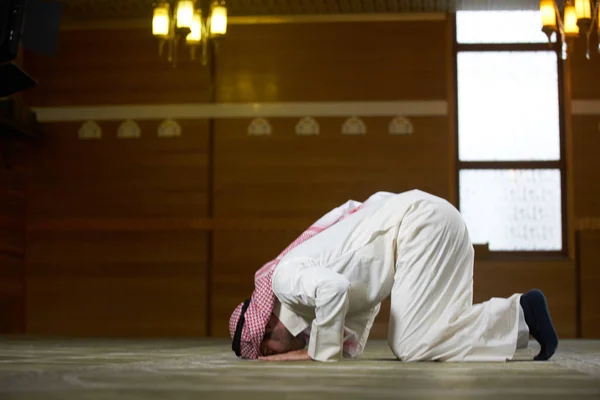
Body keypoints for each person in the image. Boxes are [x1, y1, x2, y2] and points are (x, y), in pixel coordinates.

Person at [229, 189, 559, 363]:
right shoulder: (305, 303)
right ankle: (523, 317)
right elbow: (363, 301)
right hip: (435, 221)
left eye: (268, 349)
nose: (275, 355)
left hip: (422, 226)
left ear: (268, 324)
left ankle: (522, 316)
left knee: (411, 345)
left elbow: (335, 287)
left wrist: (316, 353)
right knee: (433, 331)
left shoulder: (284, 280)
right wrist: (341, 347)